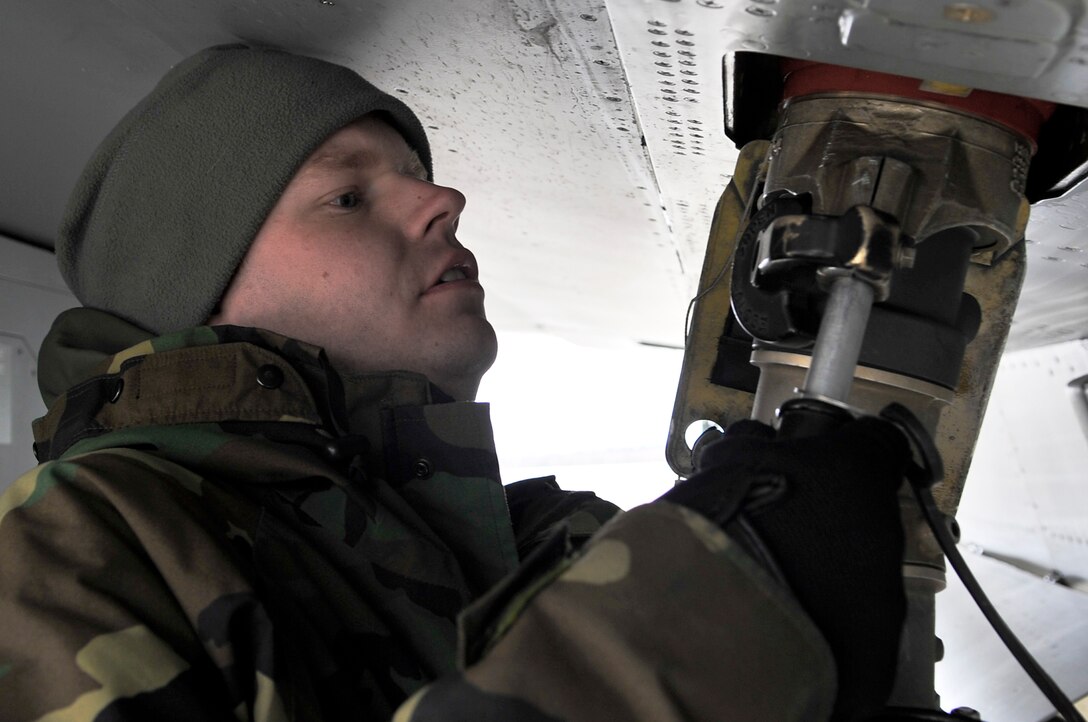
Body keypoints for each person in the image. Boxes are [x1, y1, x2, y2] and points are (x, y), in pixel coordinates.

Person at [0, 44, 911, 722]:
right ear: (198, 293)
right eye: (348, 196)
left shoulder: (548, 546)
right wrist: (720, 609)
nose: (445, 201)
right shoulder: (75, 544)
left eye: (419, 177)